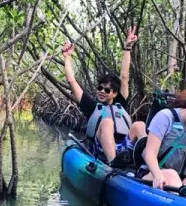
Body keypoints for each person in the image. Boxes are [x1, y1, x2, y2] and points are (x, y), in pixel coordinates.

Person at [62, 27, 146, 163]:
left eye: (107, 90)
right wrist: (67, 58)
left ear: (114, 94)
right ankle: (113, 162)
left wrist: (127, 49)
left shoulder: (121, 102)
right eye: (100, 88)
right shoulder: (91, 106)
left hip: (124, 147)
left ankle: (145, 161)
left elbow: (124, 77)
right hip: (102, 150)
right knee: (107, 122)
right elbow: (71, 81)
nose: (101, 91)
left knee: (140, 125)